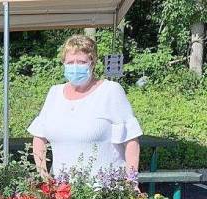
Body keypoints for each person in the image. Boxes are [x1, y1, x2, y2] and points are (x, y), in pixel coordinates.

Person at [28, 35, 142, 178]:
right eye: (70, 62)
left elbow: (131, 139)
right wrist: (43, 173)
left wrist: (132, 181)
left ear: (92, 63)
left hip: (105, 190)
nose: (75, 66)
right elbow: (39, 136)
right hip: (61, 191)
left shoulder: (111, 91)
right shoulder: (54, 93)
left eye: (81, 62)